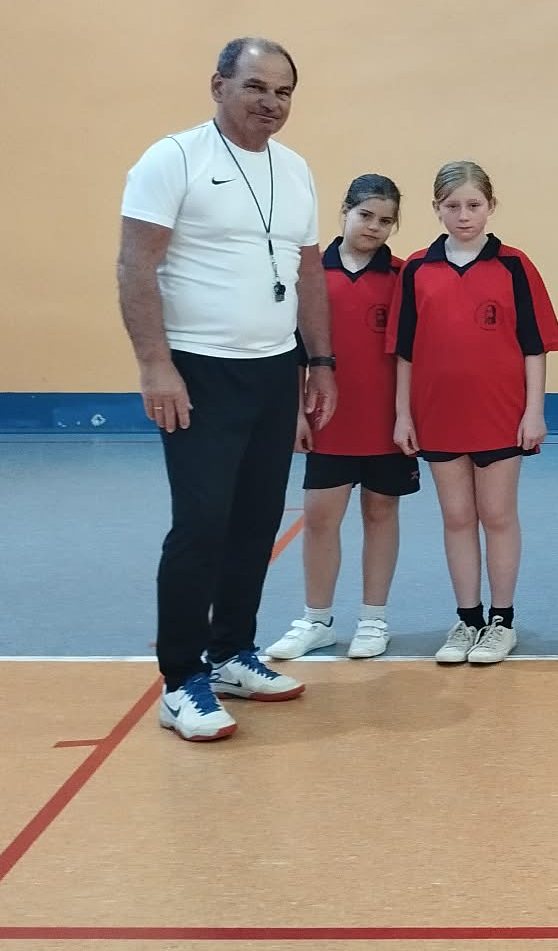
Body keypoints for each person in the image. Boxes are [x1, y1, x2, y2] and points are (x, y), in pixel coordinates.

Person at [117, 37, 334, 742]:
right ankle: (181, 680)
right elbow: (135, 265)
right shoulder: (173, 160)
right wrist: (155, 366)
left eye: (283, 91)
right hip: (197, 371)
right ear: (219, 86)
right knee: (201, 524)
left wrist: (320, 361)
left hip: (273, 370)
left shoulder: (295, 170)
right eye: (256, 87)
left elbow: (307, 272)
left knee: (256, 520)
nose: (271, 102)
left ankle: (233, 651)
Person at [391, 162, 558, 665]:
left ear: (490, 206)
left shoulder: (514, 266)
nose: (463, 215)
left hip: (501, 415)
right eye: (452, 206)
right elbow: (404, 352)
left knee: (498, 515)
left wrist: (534, 412)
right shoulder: (417, 270)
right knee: (457, 516)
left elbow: (535, 347)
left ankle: (501, 621)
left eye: (473, 205)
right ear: (436, 209)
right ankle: (467, 619)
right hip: (438, 416)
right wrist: (403, 415)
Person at [265, 174, 418, 662]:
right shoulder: (310, 275)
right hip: (328, 419)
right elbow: (293, 349)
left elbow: (410, 354)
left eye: (386, 220)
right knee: (319, 518)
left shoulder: (402, 277)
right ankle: (316, 620)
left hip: (387, 423)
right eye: (365, 215)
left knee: (381, 513)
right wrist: (296, 413)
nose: (374, 227)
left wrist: (407, 416)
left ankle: (374, 619)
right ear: (345, 212)